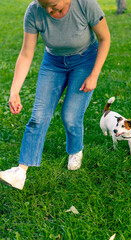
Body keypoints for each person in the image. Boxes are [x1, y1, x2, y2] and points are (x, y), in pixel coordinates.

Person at [0, 0, 110, 190]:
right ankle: (20, 172)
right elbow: (26, 53)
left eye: (53, 5)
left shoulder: (85, 4)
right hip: (53, 63)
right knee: (38, 116)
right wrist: (14, 90)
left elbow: (104, 38)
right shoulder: (34, 11)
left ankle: (75, 150)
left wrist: (94, 74)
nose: (49, 11)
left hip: (85, 61)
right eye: (45, 6)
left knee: (70, 116)